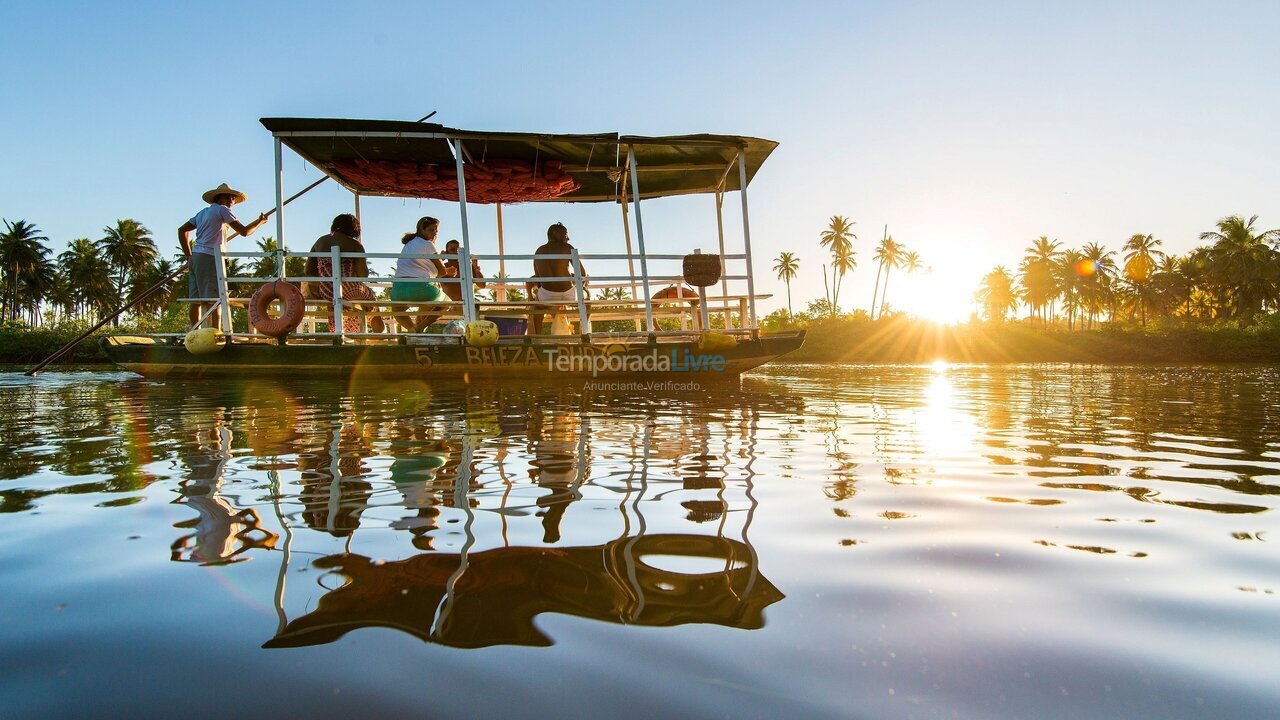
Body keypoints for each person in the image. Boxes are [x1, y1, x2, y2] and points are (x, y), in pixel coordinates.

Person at [177, 182, 268, 329]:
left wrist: (189, 255)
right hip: (210, 257)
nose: (231, 201)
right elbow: (244, 232)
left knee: (196, 299)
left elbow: (182, 231)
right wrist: (260, 222)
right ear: (219, 198)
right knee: (215, 299)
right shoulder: (222, 210)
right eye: (228, 197)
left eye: (232, 198)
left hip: (196, 257)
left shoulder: (203, 213)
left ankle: (195, 332)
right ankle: (215, 332)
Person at [306, 214, 385, 334]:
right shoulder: (355, 245)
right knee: (367, 297)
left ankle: (341, 332)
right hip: (350, 289)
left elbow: (308, 270)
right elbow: (363, 274)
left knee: (339, 300)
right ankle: (378, 332)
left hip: (327, 290)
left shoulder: (320, 242)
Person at [392, 217, 453, 332]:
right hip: (420, 288)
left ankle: (413, 330)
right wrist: (448, 271)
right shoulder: (428, 244)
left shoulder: (409, 244)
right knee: (446, 304)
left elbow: (419, 266)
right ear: (422, 230)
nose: (434, 233)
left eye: (436, 231)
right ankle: (420, 327)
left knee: (397, 310)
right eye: (431, 230)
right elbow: (442, 271)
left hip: (398, 290)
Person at [527, 223, 587, 335]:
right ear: (555, 234)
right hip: (569, 295)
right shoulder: (568, 248)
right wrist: (579, 285)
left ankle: (536, 338)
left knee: (536, 307)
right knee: (587, 300)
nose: (567, 238)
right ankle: (584, 333)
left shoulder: (539, 251)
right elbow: (582, 273)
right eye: (565, 234)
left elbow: (539, 280)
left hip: (547, 295)